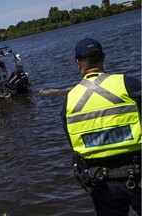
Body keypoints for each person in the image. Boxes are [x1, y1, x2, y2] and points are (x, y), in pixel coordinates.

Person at [61, 38, 141, 216]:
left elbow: (72, 141)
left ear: (77, 63)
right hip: (137, 172)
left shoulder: (69, 100)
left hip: (101, 182)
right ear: (103, 57)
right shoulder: (128, 84)